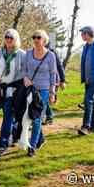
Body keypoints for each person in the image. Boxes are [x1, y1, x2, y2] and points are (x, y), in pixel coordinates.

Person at [0, 29, 26, 157]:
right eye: (6, 37)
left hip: (15, 89)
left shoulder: (21, 54)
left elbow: (26, 71)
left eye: (11, 37)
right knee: (11, 115)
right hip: (2, 89)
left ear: (16, 39)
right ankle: (15, 136)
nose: (8, 39)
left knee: (8, 116)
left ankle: (2, 145)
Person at [24, 29, 57, 157]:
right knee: (28, 116)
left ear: (44, 40)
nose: (36, 40)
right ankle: (40, 139)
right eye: (34, 37)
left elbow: (53, 74)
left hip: (43, 90)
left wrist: (52, 92)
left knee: (37, 118)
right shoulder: (28, 53)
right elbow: (24, 70)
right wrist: (25, 78)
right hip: (30, 88)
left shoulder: (50, 56)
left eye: (38, 37)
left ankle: (32, 146)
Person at [43, 43, 65, 125]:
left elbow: (59, 66)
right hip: (41, 80)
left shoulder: (52, 53)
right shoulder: (35, 52)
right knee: (43, 99)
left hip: (53, 80)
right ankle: (48, 116)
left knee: (45, 99)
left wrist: (62, 80)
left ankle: (48, 116)